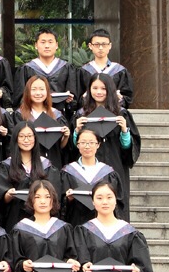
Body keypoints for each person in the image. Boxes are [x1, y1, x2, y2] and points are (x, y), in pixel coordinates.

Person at [75, 73, 141, 219]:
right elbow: (74, 147)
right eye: (95, 88)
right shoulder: (82, 114)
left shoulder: (121, 114)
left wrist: (124, 131)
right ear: (89, 90)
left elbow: (128, 149)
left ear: (110, 90)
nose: (99, 92)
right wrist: (76, 131)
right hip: (88, 168)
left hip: (114, 165)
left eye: (103, 88)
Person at [0, 122, 61, 231]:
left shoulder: (46, 165)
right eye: (22, 136)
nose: (26, 140)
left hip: (42, 219)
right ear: (16, 139)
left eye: (30, 136)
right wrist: (8, 195)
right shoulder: (6, 165)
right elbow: (1, 200)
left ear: (35, 138)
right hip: (15, 217)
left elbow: (55, 195)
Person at [60, 128, 123, 227]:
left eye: (91, 142)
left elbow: (118, 202)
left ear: (98, 145)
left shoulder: (108, 172)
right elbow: (60, 201)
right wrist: (68, 199)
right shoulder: (68, 171)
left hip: (103, 224)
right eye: (83, 142)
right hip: (76, 223)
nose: (87, 146)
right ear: (77, 145)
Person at [12, 28, 78, 116]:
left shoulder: (67, 67)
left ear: (56, 45)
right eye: (43, 42)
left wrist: (70, 100)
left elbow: (73, 97)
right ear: (36, 45)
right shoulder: (26, 68)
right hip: (33, 115)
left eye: (50, 42)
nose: (47, 46)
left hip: (59, 115)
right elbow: (19, 97)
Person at [11, 75, 71, 166]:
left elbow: (60, 147)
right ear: (27, 92)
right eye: (34, 89)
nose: (38, 93)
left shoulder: (56, 115)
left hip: (52, 162)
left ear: (47, 92)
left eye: (42, 89)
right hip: (28, 162)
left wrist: (65, 136)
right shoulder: (20, 115)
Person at [79, 29, 134, 109]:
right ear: (90, 46)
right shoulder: (84, 71)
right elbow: (78, 98)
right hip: (89, 112)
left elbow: (127, 98)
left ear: (110, 46)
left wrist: (120, 99)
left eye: (104, 44)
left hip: (114, 112)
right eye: (97, 44)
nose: (100, 48)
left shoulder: (120, 70)